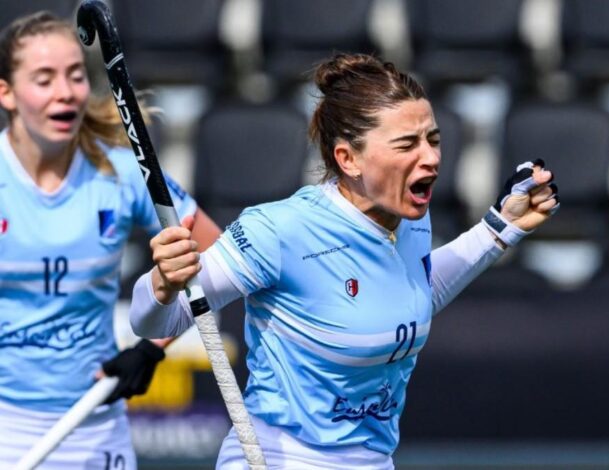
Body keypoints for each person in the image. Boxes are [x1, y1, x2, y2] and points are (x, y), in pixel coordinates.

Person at [129, 52, 559, 469]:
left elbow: (413, 292)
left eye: (433, 139)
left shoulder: (411, 218)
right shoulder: (279, 231)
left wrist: (501, 227)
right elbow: (153, 323)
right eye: (407, 144)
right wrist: (163, 283)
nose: (429, 157)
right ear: (347, 158)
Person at [0, 11, 220, 469]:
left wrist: (151, 348)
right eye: (44, 79)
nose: (65, 92)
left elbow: (222, 258)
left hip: (96, 424)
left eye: (76, 75)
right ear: (7, 93)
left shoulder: (123, 173)